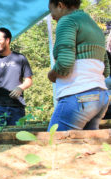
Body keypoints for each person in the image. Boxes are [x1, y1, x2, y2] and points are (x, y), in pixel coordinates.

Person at [47, 0, 110, 131]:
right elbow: (106, 70)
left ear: (60, 5)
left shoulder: (67, 21)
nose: (52, 16)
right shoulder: (93, 25)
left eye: (51, 10)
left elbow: (64, 64)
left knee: (55, 145)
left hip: (78, 95)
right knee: (86, 148)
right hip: (100, 97)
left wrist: (52, 75)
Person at [0, 27, 33, 127]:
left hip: (17, 106)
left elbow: (29, 80)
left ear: (7, 40)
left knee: (18, 138)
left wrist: (20, 87)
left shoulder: (20, 58)